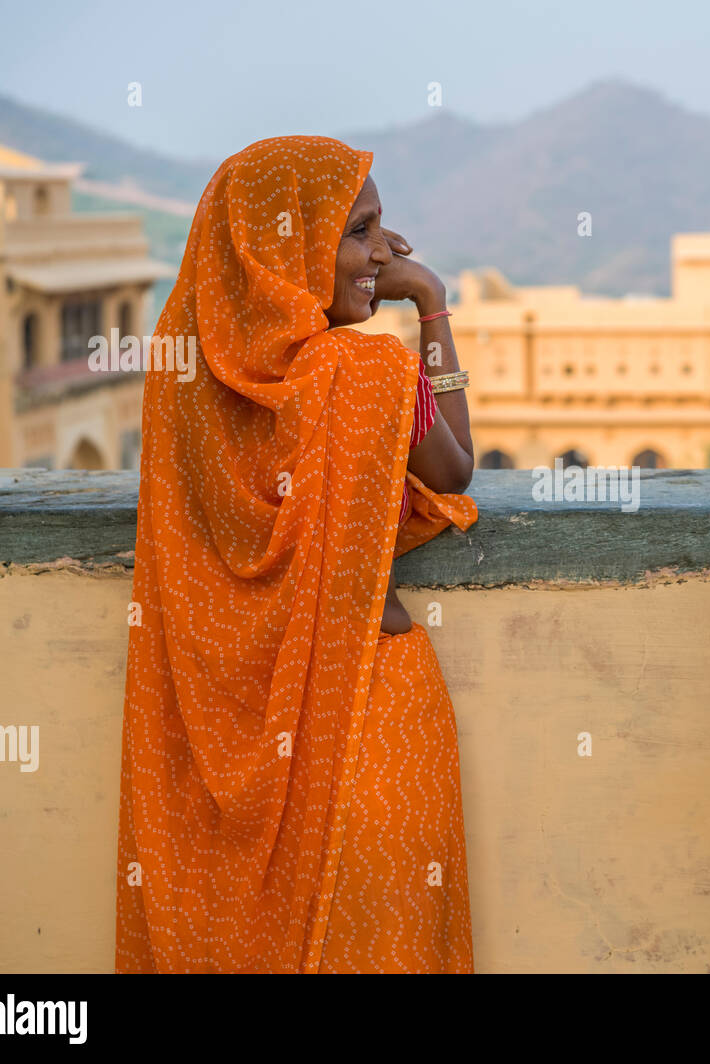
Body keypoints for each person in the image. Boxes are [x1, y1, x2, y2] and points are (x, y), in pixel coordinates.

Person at [115, 135, 478, 973]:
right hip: (366, 714)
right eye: (360, 231)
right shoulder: (364, 372)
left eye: (383, 232)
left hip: (217, 735)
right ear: (289, 247)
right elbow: (456, 470)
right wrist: (429, 302)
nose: (383, 254)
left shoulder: (185, 382)